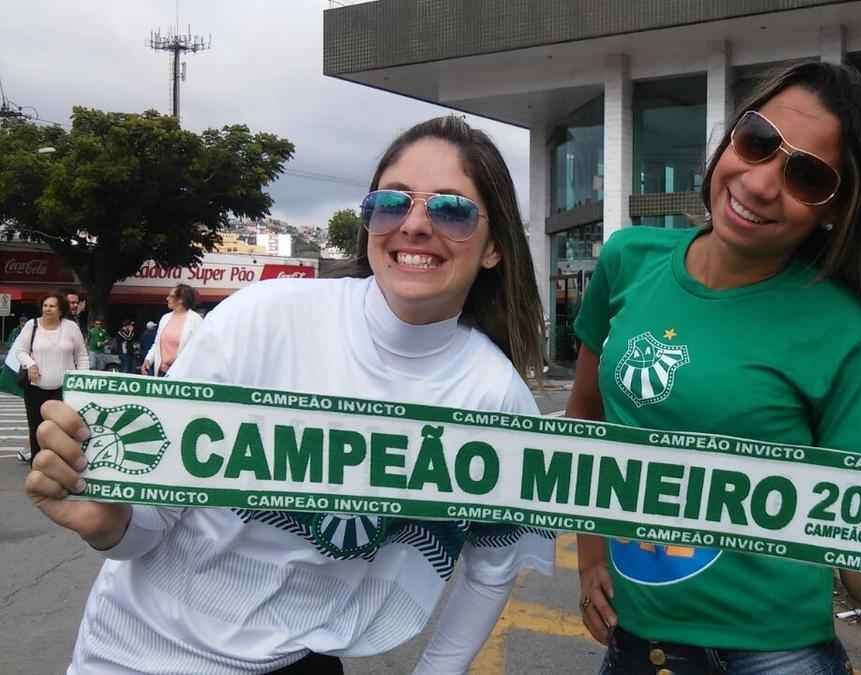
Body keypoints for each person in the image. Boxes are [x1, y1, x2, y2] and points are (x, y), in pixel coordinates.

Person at [24, 115, 554, 674]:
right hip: (131, 654)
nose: (415, 225)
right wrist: (113, 524)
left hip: (297, 662)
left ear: (494, 246)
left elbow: (492, 568)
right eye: (392, 202)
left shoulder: (494, 397)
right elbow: (152, 527)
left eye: (451, 210)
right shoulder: (262, 316)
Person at [567, 62, 861, 674]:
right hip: (635, 650)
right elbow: (585, 420)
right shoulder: (628, 260)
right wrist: (588, 557)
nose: (763, 182)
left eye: (807, 176)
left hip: (774, 660)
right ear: (733, 135)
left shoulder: (845, 335)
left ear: (834, 209)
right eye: (759, 142)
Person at [12, 292, 88, 464]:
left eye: (52, 306)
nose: (48, 309)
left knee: (61, 427)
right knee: (37, 428)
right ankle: (38, 464)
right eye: (45, 305)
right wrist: (30, 364)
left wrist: (83, 379)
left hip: (63, 388)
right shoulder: (32, 325)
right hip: (35, 387)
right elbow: (20, 351)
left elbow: (82, 355)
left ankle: (60, 463)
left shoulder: (71, 327)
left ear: (60, 310)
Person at [141, 284, 203, 377]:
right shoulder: (165, 318)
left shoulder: (195, 320)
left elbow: (198, 348)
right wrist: (148, 360)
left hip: (182, 375)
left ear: (181, 299)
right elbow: (157, 343)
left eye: (171, 296)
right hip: (162, 373)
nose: (167, 298)